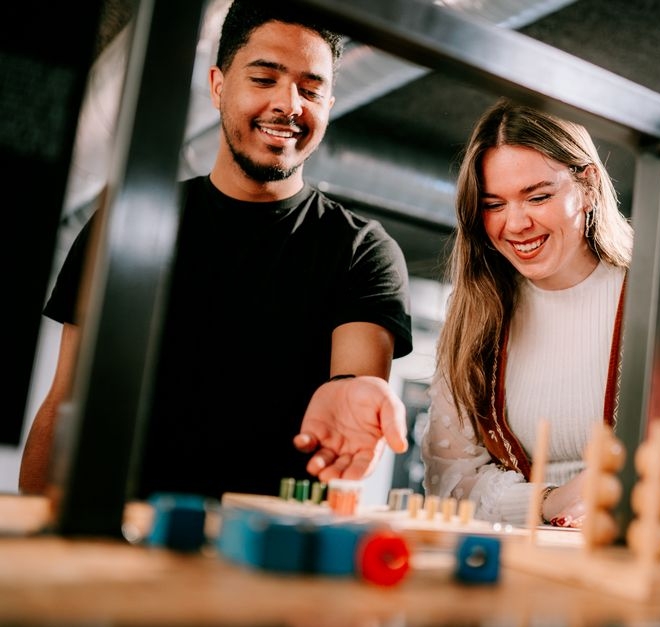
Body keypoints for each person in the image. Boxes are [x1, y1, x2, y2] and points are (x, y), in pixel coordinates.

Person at [19, 0, 412, 500]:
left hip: (268, 548)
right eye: (264, 78)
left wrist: (355, 390)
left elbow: (351, 384)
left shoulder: (362, 250)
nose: (289, 104)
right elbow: (66, 399)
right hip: (120, 529)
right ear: (218, 86)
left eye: (311, 89)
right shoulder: (128, 220)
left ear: (329, 106)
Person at [420, 99, 633, 527]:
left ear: (589, 187)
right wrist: (552, 501)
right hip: (522, 564)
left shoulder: (654, 295)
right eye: (494, 204)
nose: (515, 224)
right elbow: (448, 482)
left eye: (537, 196)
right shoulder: (475, 312)